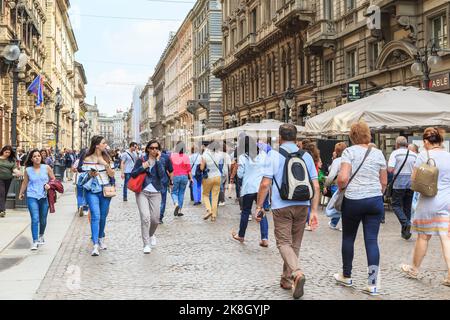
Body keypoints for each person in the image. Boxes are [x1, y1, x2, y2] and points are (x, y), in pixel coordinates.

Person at [255, 124, 320, 299]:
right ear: (296, 137)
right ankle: (286, 279)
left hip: (281, 205)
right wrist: (314, 210)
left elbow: (265, 183)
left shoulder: (274, 155)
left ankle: (296, 273)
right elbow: (315, 184)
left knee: (283, 243)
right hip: (303, 204)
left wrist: (259, 206)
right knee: (295, 244)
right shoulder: (306, 156)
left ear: (280, 137)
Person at [335, 121, 387, 296]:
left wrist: (340, 185)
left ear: (352, 136)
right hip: (374, 200)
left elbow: (342, 178)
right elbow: (384, 181)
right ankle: (372, 284)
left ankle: (346, 275)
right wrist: (376, 192)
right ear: (368, 134)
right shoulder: (379, 153)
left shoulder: (349, 152)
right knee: (372, 241)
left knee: (348, 238)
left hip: (354, 200)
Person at [401, 128, 450, 286]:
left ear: (426, 141)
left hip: (428, 201)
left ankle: (414, 269)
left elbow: (414, 178)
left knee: (423, 236)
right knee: (446, 237)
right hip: (446, 201)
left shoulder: (423, 155)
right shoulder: (449, 156)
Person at [232, 135, 269, 247]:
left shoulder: (243, 157)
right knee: (261, 211)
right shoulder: (263, 155)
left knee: (245, 211)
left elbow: (240, 174)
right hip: (261, 187)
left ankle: (241, 235)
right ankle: (264, 238)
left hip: (248, 188)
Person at [81, 136, 116, 256]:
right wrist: (91, 174)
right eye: (103, 143)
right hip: (92, 190)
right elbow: (83, 176)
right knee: (95, 215)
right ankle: (95, 243)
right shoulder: (87, 158)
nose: (105, 145)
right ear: (97, 145)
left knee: (102, 216)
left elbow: (112, 175)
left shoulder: (107, 157)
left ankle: (101, 238)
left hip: (106, 189)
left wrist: (105, 164)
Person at [131, 140, 165, 254]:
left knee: (155, 219)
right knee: (145, 217)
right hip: (142, 191)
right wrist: (143, 167)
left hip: (156, 191)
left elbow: (162, 176)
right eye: (151, 148)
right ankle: (146, 244)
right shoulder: (141, 159)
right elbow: (133, 173)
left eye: (156, 148)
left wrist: (158, 161)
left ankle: (151, 235)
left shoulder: (161, 160)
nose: (154, 150)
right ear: (148, 149)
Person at [18, 149, 56, 250]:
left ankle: (41, 235)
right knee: (35, 218)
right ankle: (35, 241)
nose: (37, 157)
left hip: (44, 196)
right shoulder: (28, 170)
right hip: (32, 196)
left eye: (38, 156)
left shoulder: (47, 167)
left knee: (43, 220)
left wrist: (49, 185)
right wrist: (21, 193)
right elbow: (25, 182)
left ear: (41, 157)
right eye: (34, 156)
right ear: (31, 159)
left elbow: (53, 180)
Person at [387, 136, 418, 240]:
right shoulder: (414, 154)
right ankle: (405, 233)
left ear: (396, 144)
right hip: (411, 183)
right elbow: (417, 170)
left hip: (398, 183)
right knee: (407, 207)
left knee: (396, 205)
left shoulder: (395, 153)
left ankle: (406, 223)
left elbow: (390, 169)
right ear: (406, 144)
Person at [323, 142, 348, 231]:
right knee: (345, 205)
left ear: (336, 151)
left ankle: (335, 223)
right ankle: (337, 223)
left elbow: (331, 175)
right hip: (350, 186)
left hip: (338, 186)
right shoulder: (350, 159)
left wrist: (325, 185)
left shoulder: (337, 161)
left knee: (338, 205)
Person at [200, 140, 224, 222]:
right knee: (215, 196)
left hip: (208, 177)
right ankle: (214, 216)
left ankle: (209, 210)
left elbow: (202, 168)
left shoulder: (205, 154)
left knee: (205, 194)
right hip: (217, 176)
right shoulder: (219, 154)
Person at [302, 140, 321, 231]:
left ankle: (309, 223)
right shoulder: (316, 158)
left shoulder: (306, 157)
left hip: (308, 181)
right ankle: (310, 221)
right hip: (315, 180)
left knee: (308, 204)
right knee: (310, 204)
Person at [170, 141, 192, 217]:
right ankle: (179, 210)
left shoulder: (172, 156)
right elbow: (189, 169)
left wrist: (170, 178)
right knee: (181, 193)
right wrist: (191, 178)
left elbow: (169, 168)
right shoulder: (186, 157)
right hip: (184, 177)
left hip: (175, 176)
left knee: (173, 192)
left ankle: (176, 204)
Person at [0, 146, 21, 218]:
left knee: (4, 194)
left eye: (9, 152)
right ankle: (2, 210)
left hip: (8, 179)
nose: (7, 154)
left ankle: (1, 209)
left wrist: (18, 172)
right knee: (1, 193)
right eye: (6, 152)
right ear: (3, 151)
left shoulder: (11, 160)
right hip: (0, 179)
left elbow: (14, 168)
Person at [158, 149, 173, 224]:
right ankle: (159, 217)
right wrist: (171, 182)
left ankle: (156, 216)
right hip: (163, 180)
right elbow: (171, 171)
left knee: (153, 199)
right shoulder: (166, 157)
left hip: (153, 181)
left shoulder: (149, 156)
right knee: (162, 200)